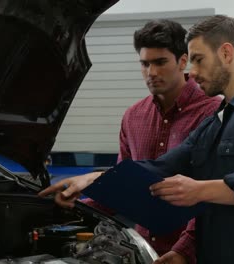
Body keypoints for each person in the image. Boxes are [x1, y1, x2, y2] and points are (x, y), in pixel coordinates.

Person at [40, 14, 234, 264]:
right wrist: (92, 179)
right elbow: (161, 167)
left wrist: (198, 190)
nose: (191, 71)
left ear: (227, 53)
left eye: (198, 59)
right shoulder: (216, 121)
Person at [40, 19, 221, 264]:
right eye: (145, 64)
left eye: (160, 62)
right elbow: (120, 187)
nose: (152, 72)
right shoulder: (133, 117)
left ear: (182, 61)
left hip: (195, 254)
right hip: (142, 251)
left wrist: (183, 251)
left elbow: (211, 198)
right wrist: (76, 206)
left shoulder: (213, 113)